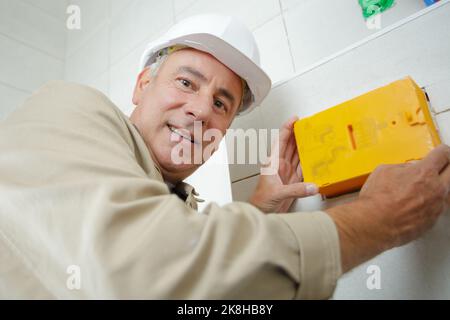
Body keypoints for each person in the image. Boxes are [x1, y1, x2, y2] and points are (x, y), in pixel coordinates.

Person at [0, 14, 448, 299]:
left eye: (221, 104)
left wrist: (260, 210)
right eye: (186, 83)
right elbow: (152, 270)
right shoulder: (71, 107)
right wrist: (380, 218)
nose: (199, 110)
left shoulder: (180, 204)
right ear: (142, 85)